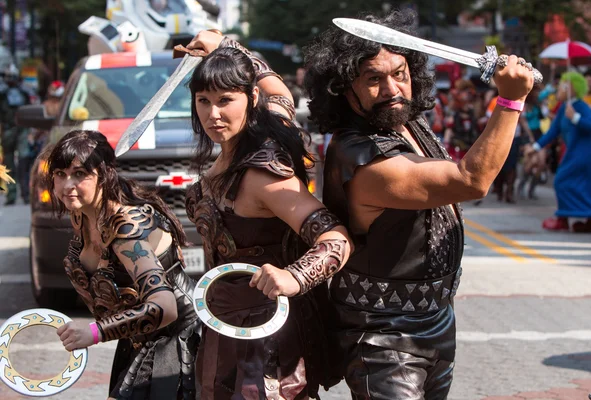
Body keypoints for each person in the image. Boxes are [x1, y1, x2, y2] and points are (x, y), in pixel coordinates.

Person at [303, 9, 534, 399]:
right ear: (345, 88)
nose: (392, 89)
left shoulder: (403, 122)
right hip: (382, 337)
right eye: (373, 79)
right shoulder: (361, 157)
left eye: (399, 74)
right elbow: (470, 181)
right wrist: (510, 101)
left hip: (437, 320)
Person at [183, 31, 353, 399]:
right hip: (221, 328)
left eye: (226, 100)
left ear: (249, 98)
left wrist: (294, 276)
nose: (213, 114)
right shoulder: (271, 122)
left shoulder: (262, 175)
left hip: (265, 344)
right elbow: (280, 94)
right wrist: (229, 47)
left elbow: (336, 238)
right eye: (203, 101)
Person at [46, 130, 201, 399]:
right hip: (138, 341)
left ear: (104, 175)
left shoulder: (127, 228)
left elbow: (166, 308)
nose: (66, 185)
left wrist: (94, 332)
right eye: (60, 174)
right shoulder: (83, 215)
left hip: (179, 342)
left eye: (80, 174)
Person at [525, 71, 591, 233]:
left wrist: (575, 117)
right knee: (577, 184)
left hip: (584, 153)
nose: (559, 89)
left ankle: (566, 218)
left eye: (563, 86)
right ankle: (587, 219)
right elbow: (553, 132)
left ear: (571, 88)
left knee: (562, 181)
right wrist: (536, 147)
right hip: (573, 152)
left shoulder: (580, 106)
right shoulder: (564, 108)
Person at [0, 64, 31, 205]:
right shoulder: (2, 93)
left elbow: (31, 107)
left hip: (22, 129)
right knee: (9, 162)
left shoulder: (23, 91)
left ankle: (26, 193)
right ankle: (12, 194)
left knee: (24, 161)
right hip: (7, 130)